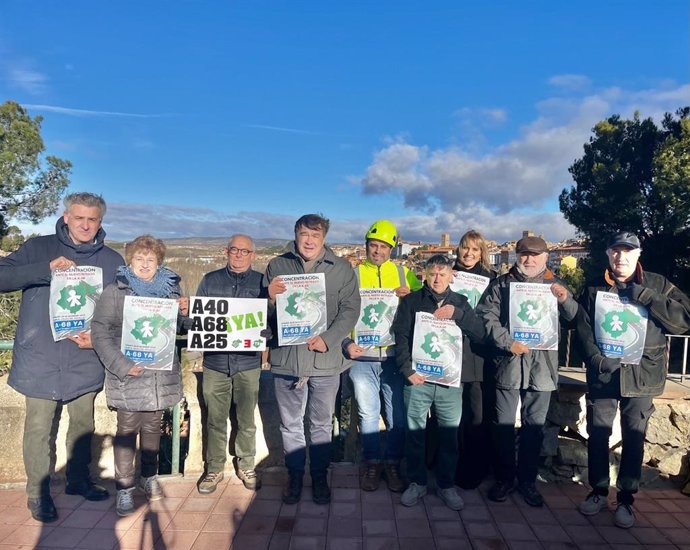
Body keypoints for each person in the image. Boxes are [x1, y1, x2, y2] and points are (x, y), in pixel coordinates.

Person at [0, 192, 123, 522]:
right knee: (39, 428)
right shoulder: (38, 248)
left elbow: (123, 312)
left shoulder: (112, 261)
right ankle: (37, 493)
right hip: (41, 359)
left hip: (85, 360)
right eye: (78, 217)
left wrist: (99, 339)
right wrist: (44, 270)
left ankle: (78, 481)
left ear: (100, 222)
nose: (85, 224)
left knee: (83, 426)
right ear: (66, 216)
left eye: (92, 219)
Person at [575, 232, 690, 528]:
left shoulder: (658, 284)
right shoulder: (594, 286)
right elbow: (584, 328)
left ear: (638, 255)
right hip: (604, 375)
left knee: (634, 438)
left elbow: (683, 319)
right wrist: (597, 360)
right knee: (598, 435)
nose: (621, 257)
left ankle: (626, 499)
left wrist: (648, 297)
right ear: (608, 254)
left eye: (628, 252)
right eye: (615, 251)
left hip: (642, 376)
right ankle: (598, 491)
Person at [264, 214, 360, 505]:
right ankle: (295, 476)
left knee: (320, 424)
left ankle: (319, 476)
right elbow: (267, 318)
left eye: (315, 236)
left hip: (325, 361)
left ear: (324, 239)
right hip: (287, 361)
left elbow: (350, 310)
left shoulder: (341, 269)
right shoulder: (277, 266)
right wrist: (268, 298)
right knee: (290, 424)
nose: (309, 240)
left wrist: (329, 339)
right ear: (296, 234)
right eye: (304, 234)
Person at [476, 236, 577, 507]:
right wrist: (508, 342)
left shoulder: (556, 286)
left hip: (541, 369)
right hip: (508, 366)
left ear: (545, 257)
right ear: (515, 256)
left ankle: (528, 482)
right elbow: (486, 316)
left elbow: (574, 318)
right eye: (524, 254)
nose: (529, 260)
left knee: (534, 428)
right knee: (503, 427)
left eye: (535, 255)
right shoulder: (501, 285)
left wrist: (565, 299)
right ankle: (504, 479)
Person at [91, 235, 187, 516]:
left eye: (151, 260)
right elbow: (100, 331)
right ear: (130, 261)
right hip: (130, 375)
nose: (145, 265)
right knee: (127, 430)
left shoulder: (172, 289)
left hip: (159, 376)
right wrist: (121, 365)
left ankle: (149, 478)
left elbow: (181, 328)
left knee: (153, 430)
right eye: (139, 259)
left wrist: (185, 312)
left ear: (159, 262)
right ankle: (124, 488)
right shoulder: (116, 290)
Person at [392, 254, 486, 510]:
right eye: (432, 273)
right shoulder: (411, 301)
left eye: (442, 274)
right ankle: (417, 483)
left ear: (451, 276)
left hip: (450, 383)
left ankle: (446, 485)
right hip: (418, 380)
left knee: (449, 437)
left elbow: (480, 333)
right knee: (415, 435)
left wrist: (459, 314)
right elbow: (400, 336)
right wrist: (407, 370)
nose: (437, 279)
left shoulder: (461, 302)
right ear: (425, 274)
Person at [342, 220, 421, 492]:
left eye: (383, 247)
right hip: (361, 358)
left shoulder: (403, 274)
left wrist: (410, 296)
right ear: (366, 246)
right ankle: (372, 463)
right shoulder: (352, 274)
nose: (377, 251)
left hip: (393, 358)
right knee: (367, 414)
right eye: (373, 245)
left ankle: (393, 464)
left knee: (396, 416)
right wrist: (344, 343)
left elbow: (423, 306)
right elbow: (339, 312)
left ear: (392, 249)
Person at [195, 234, 265, 494]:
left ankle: (246, 465)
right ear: (226, 251)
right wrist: (186, 315)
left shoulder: (261, 283)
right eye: (234, 250)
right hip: (215, 363)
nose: (238, 255)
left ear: (252, 255)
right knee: (215, 419)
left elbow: (271, 318)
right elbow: (196, 320)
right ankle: (214, 469)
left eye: (244, 251)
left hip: (248, 363)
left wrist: (267, 330)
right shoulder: (210, 280)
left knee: (246, 420)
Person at [452, 230, 497, 489]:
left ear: (482, 253)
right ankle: (447, 464)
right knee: (449, 416)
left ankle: (474, 469)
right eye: (465, 248)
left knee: (475, 417)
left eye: (475, 250)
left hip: (479, 357)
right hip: (451, 353)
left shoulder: (491, 280)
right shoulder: (448, 275)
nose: (469, 254)